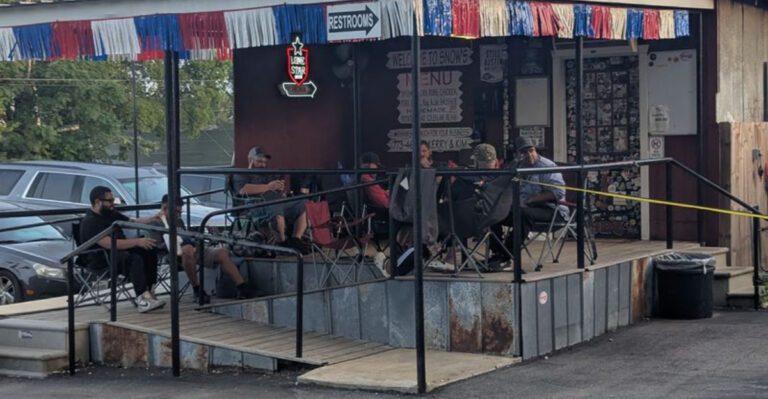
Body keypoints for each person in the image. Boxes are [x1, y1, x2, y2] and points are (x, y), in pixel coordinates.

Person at [151, 195, 257, 303]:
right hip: (175, 254)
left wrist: (196, 244)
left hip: (193, 249)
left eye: (180, 212)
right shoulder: (156, 222)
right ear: (165, 208)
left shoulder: (179, 221)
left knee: (222, 252)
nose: (179, 214)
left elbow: (188, 238)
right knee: (187, 250)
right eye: (176, 211)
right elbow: (157, 245)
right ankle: (197, 289)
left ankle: (242, 287)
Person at [79, 186, 165, 313]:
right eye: (109, 201)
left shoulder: (110, 213)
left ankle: (149, 290)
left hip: (118, 252)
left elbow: (132, 221)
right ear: (97, 202)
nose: (113, 204)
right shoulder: (90, 222)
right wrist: (137, 242)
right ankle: (143, 299)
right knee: (133, 258)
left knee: (149, 248)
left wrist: (152, 219)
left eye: (113, 200)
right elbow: (108, 244)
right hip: (101, 258)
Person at [232, 146, 310, 254]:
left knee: (304, 203)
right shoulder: (242, 173)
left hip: (278, 201)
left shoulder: (268, 172)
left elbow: (277, 189)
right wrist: (269, 186)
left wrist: (279, 187)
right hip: (257, 205)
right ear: (250, 160)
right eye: (259, 161)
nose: (263, 165)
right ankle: (282, 243)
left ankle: (295, 239)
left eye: (265, 162)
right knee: (275, 207)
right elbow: (242, 190)